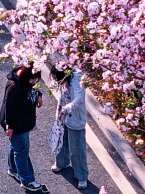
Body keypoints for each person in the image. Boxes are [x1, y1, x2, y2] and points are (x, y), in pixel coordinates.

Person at [0, 64, 49, 194]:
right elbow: (9, 109)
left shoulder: (24, 82)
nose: (35, 81)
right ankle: (27, 180)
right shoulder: (14, 88)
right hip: (17, 125)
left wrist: (38, 94)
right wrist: (9, 127)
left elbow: (30, 89)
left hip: (24, 122)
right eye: (33, 79)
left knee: (16, 147)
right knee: (22, 151)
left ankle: (14, 169)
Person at [50, 57, 89, 190]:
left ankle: (82, 176)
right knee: (61, 140)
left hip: (75, 118)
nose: (57, 82)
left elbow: (78, 100)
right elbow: (62, 96)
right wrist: (60, 110)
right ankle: (61, 162)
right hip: (63, 115)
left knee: (77, 149)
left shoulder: (78, 81)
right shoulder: (65, 78)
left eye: (58, 79)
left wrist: (65, 109)